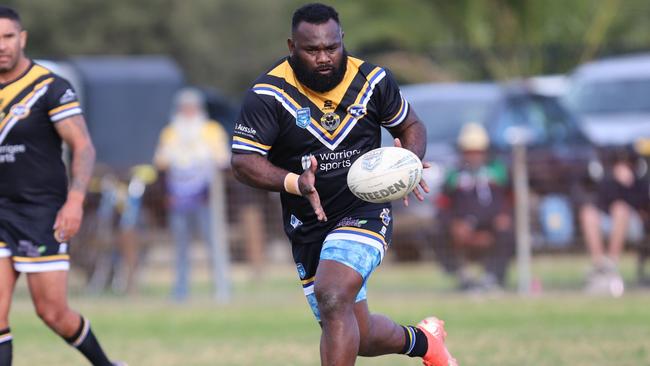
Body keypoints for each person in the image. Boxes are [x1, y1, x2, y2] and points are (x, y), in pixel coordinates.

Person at [231, 4, 457, 366]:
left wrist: (409, 162)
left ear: (342, 42)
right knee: (358, 333)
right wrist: (294, 182)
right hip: (308, 222)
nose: (323, 58)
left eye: (331, 47)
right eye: (312, 50)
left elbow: (411, 126)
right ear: (292, 46)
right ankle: (425, 342)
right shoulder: (268, 94)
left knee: (333, 294)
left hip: (363, 210)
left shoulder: (372, 81)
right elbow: (243, 163)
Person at [0, 6, 124, 366]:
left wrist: (74, 201)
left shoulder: (49, 87)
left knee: (52, 313)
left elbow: (82, 146)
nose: (2, 46)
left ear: (21, 39)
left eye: (8, 37)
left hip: (41, 212)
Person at [154, 88, 229, 301]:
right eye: (184, 108)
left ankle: (222, 288)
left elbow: (222, 159)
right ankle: (180, 291)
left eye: (192, 107)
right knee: (180, 247)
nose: (188, 112)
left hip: (207, 198)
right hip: (178, 198)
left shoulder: (212, 130)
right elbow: (161, 161)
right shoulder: (170, 132)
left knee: (214, 244)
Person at [435, 122, 514, 291]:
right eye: (469, 152)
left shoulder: (499, 170)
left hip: (492, 224)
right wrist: (453, 224)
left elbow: (511, 199)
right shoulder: (453, 175)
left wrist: (504, 216)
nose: (474, 156)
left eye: (478, 151)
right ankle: (463, 275)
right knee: (435, 232)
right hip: (463, 225)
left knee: (507, 231)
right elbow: (442, 206)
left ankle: (493, 276)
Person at [580, 147, 650, 294]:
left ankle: (611, 263)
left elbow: (643, 207)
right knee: (588, 213)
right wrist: (615, 182)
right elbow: (601, 203)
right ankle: (600, 266)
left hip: (633, 225)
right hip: (609, 222)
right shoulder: (607, 181)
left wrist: (628, 186)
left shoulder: (641, 183)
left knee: (620, 209)